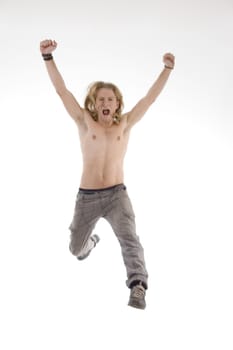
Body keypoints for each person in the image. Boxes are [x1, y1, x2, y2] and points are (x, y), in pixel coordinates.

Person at [40, 39, 175, 310]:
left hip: (116, 195)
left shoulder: (125, 123)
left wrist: (167, 69)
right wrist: (47, 58)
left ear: (116, 104)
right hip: (87, 197)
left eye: (110, 99)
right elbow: (61, 90)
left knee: (129, 238)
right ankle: (89, 244)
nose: (106, 103)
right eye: (101, 99)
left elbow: (150, 98)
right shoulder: (84, 121)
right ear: (94, 103)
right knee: (75, 249)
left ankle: (138, 285)